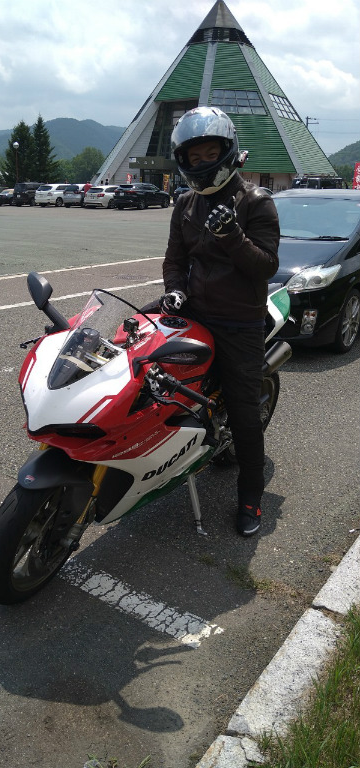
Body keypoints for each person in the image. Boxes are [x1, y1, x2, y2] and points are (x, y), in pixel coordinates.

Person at [161, 106, 279, 537]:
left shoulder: (257, 201)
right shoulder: (185, 203)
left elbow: (266, 266)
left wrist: (232, 235)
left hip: (239, 321)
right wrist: (174, 289)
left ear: (227, 151)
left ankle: (250, 497)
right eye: (194, 156)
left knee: (245, 413)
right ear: (183, 161)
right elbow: (174, 259)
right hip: (193, 307)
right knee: (136, 351)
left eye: (210, 153)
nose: (203, 161)